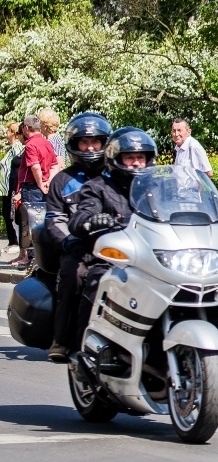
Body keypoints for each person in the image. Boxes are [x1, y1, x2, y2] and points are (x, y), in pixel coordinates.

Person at [68, 127, 157, 339]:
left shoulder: (155, 189)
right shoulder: (97, 187)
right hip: (114, 261)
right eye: (129, 157)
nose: (136, 162)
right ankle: (83, 350)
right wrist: (92, 220)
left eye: (140, 157)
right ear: (116, 158)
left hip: (151, 262)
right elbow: (81, 216)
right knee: (97, 282)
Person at [45, 113, 112, 362]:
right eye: (85, 142)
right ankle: (62, 340)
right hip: (79, 248)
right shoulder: (63, 180)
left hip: (119, 250)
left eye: (95, 141)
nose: (91, 147)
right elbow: (54, 219)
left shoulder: (116, 177)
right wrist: (68, 241)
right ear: (75, 145)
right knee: (75, 276)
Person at [13, 116, 59, 268]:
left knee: (31, 223)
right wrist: (48, 182)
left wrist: (40, 183)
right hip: (43, 187)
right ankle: (39, 259)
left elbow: (35, 166)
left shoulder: (31, 144)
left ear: (26, 128)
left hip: (32, 188)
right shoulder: (47, 143)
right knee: (41, 221)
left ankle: (34, 260)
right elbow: (54, 165)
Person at [1, 122, 24, 255]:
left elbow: (17, 164)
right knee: (6, 213)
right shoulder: (11, 148)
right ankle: (12, 242)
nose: (5, 134)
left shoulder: (17, 147)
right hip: (5, 186)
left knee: (11, 214)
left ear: (13, 133)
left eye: (8, 131)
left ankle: (14, 242)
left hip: (12, 185)